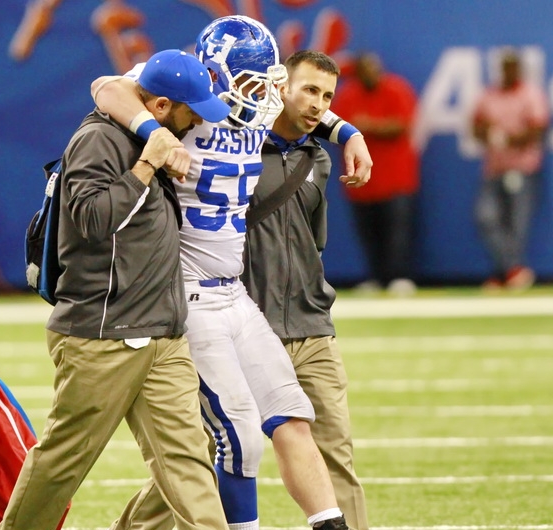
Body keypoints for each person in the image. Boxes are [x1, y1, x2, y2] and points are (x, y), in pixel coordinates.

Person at [92, 16, 372, 530]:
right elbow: (107, 87)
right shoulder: (186, 110)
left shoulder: (263, 110)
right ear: (213, 73)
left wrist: (347, 129)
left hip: (234, 294)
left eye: (265, 81)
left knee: (292, 416)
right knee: (238, 437)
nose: (260, 93)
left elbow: (305, 108)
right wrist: (154, 132)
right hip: (189, 296)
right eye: (247, 81)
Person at [0, 49, 233, 530]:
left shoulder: (144, 128)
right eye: (192, 112)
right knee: (62, 465)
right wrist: (145, 168)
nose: (196, 124)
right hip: (102, 335)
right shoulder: (98, 140)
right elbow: (89, 221)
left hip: (163, 336)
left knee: (191, 459)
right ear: (163, 106)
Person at [242, 50, 369, 530]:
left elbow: (314, 244)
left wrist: (346, 134)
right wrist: (350, 129)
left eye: (328, 95)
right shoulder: (234, 146)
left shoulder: (318, 159)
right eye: (309, 90)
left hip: (312, 326)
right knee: (210, 455)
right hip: (246, 327)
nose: (318, 104)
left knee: (336, 453)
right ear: (280, 86)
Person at [330, 51, 420, 297]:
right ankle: (377, 277)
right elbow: (338, 130)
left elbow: (402, 124)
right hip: (361, 181)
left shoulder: (397, 89)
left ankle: (400, 276)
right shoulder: (348, 95)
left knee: (398, 232)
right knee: (370, 232)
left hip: (395, 177)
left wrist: (368, 126)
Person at [471, 48, 550, 290]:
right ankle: (512, 270)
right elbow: (476, 126)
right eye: (505, 67)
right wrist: (492, 135)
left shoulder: (530, 95)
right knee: (486, 218)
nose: (509, 71)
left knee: (517, 224)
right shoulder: (489, 95)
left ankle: (503, 273)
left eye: (513, 67)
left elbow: (537, 130)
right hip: (494, 168)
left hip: (523, 169)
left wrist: (505, 138)